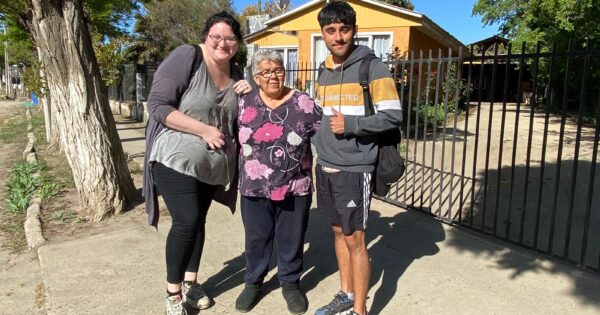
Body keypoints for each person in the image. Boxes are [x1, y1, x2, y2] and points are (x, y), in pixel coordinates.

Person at [143, 11, 252, 315]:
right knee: (187, 220)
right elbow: (158, 105)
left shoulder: (238, 72)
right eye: (216, 36)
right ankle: (173, 293)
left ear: (237, 43)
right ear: (206, 36)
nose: (222, 43)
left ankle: (191, 283)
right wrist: (203, 130)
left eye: (229, 38)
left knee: (198, 221)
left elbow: (245, 118)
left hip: (211, 165)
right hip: (175, 157)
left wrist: (250, 90)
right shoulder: (187, 56)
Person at [312, 2, 403, 315]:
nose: (338, 37)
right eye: (331, 30)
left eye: (344, 29)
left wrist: (352, 126)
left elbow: (393, 116)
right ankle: (346, 293)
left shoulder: (372, 68)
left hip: (355, 168)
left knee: (355, 239)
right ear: (323, 33)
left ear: (354, 30)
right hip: (324, 164)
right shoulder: (323, 70)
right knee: (338, 232)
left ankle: (360, 310)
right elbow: (320, 115)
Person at [234, 49, 322, 314]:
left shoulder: (303, 103)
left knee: (291, 238)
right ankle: (253, 282)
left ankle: (290, 283)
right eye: (265, 72)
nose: (272, 76)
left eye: (277, 70)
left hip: (295, 186)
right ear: (255, 77)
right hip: (254, 185)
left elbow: (326, 136)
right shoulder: (243, 101)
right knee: (257, 239)